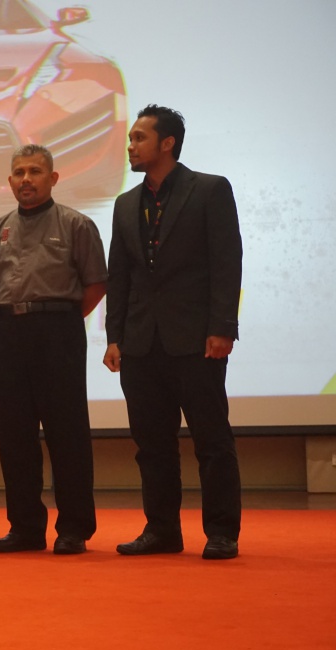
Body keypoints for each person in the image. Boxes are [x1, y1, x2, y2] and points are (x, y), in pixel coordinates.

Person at [103, 104, 243, 560]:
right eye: (130, 138)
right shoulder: (126, 203)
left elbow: (227, 263)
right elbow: (120, 275)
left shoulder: (209, 189)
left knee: (211, 440)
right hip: (141, 342)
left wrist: (222, 328)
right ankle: (161, 530)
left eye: (139, 138)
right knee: (151, 446)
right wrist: (114, 337)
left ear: (167, 143)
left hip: (197, 338)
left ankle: (221, 532)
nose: (131, 146)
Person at [0, 145, 107, 556]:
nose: (26, 179)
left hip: (59, 332)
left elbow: (95, 284)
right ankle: (25, 528)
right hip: (8, 332)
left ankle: (73, 528)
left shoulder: (76, 224)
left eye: (35, 171)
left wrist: (62, 318)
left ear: (52, 178)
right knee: (14, 435)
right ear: (10, 181)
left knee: (67, 433)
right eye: (19, 172)